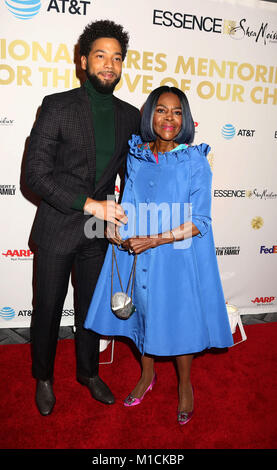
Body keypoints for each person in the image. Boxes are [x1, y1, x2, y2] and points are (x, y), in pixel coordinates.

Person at [84, 86, 234, 425]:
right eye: (162, 110)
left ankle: (184, 386)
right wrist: (114, 223)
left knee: (178, 322)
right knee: (143, 315)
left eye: (177, 111)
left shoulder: (194, 160)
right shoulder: (137, 154)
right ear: (150, 114)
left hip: (174, 255)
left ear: (186, 119)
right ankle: (146, 375)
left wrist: (155, 240)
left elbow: (200, 221)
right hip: (136, 251)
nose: (169, 118)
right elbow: (131, 200)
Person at [25, 20, 141, 416]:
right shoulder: (58, 105)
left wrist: (124, 216)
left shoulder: (129, 116)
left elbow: (131, 175)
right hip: (58, 226)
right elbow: (35, 175)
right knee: (48, 308)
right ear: (83, 61)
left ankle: (88, 373)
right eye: (100, 56)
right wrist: (91, 204)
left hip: (98, 232)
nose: (109, 64)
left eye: (117, 58)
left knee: (91, 307)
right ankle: (43, 377)